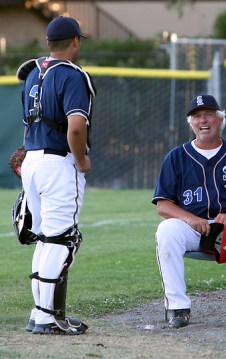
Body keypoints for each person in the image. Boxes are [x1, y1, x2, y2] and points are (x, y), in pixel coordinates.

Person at [152, 94, 226, 329]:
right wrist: (190, 219)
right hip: (192, 229)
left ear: (220, 120)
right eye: (196, 116)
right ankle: (177, 307)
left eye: (208, 114)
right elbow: (163, 205)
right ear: (191, 123)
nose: (203, 120)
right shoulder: (176, 156)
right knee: (166, 231)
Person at [18, 16, 96, 334]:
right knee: (62, 240)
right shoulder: (72, 75)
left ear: (49, 43)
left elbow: (28, 122)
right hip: (57, 163)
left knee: (45, 239)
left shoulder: (33, 73)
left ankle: (42, 313)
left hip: (32, 161)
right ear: (75, 41)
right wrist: (82, 160)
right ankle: (46, 315)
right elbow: (76, 127)